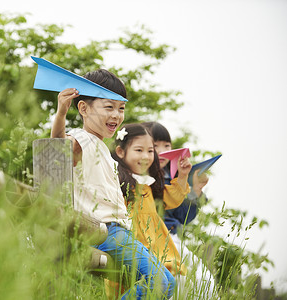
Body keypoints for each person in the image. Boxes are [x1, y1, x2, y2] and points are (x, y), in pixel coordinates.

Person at [51, 69, 175, 299]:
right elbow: (57, 149)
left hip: (118, 231)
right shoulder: (83, 138)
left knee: (166, 281)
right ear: (84, 109)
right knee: (162, 282)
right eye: (109, 107)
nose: (116, 115)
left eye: (121, 109)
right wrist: (60, 114)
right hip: (106, 230)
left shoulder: (101, 147)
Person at [142, 121, 217, 298]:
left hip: (171, 237)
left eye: (166, 145)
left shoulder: (174, 176)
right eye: (155, 145)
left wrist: (195, 190)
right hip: (150, 238)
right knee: (180, 282)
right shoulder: (139, 175)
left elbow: (183, 217)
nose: (162, 151)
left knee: (205, 280)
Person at [111, 123, 191, 276]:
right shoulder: (117, 182)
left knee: (176, 282)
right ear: (121, 152)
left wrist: (183, 175)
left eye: (150, 151)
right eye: (139, 150)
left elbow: (172, 198)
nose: (146, 156)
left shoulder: (148, 183)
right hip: (134, 249)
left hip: (159, 250)